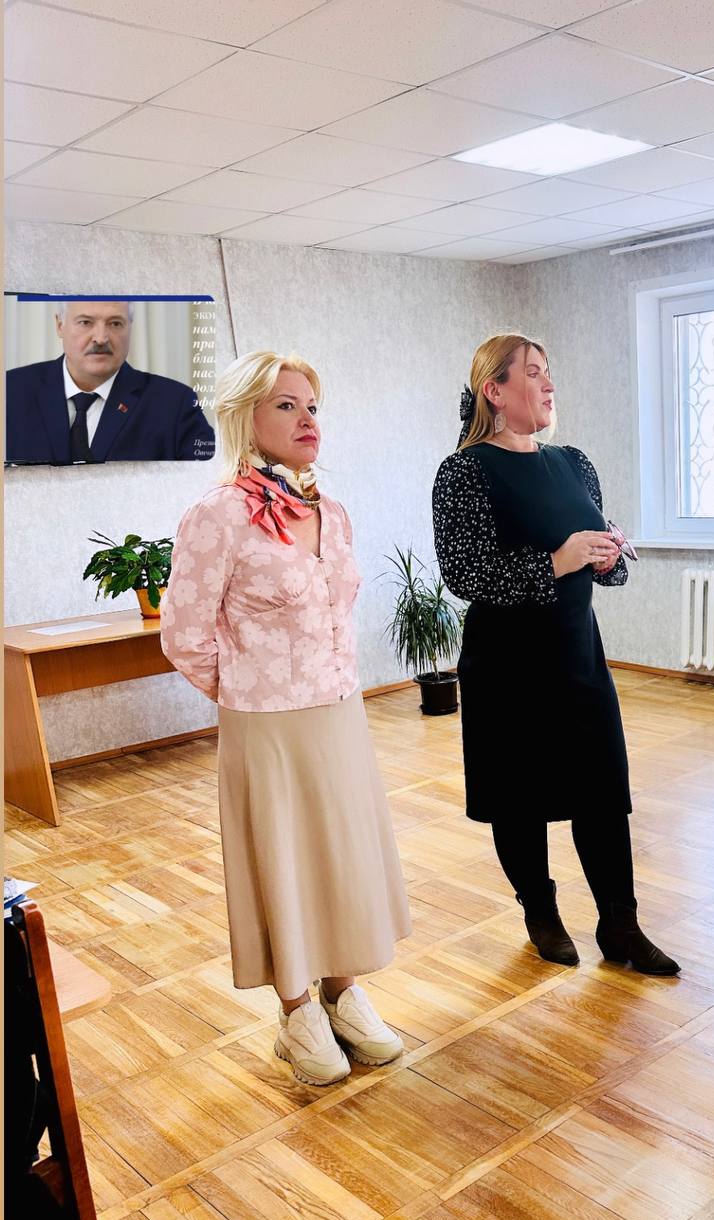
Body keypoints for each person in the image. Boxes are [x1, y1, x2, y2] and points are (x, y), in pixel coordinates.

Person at [161, 350, 411, 1086]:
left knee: (339, 854)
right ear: (245, 417)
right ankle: (296, 1009)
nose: (308, 420)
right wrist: (248, 687)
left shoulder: (331, 511)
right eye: (286, 406)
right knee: (284, 859)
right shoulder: (215, 516)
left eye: (312, 406)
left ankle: (342, 993)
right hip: (265, 723)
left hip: (339, 712)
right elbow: (183, 634)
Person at [432, 333, 678, 976]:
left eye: (549, 373)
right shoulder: (463, 472)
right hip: (506, 668)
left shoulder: (575, 463)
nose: (549, 384)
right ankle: (540, 913)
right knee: (518, 798)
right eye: (534, 373)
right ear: (495, 390)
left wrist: (606, 556)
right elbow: (464, 573)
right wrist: (555, 562)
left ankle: (620, 925)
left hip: (578, 659)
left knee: (603, 792)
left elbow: (604, 569)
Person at [5, 300, 214, 463]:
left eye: (115, 323)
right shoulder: (9, 391)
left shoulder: (175, 404)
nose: (101, 338)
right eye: (85, 322)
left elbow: (209, 482)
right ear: (60, 325)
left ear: (130, 327)